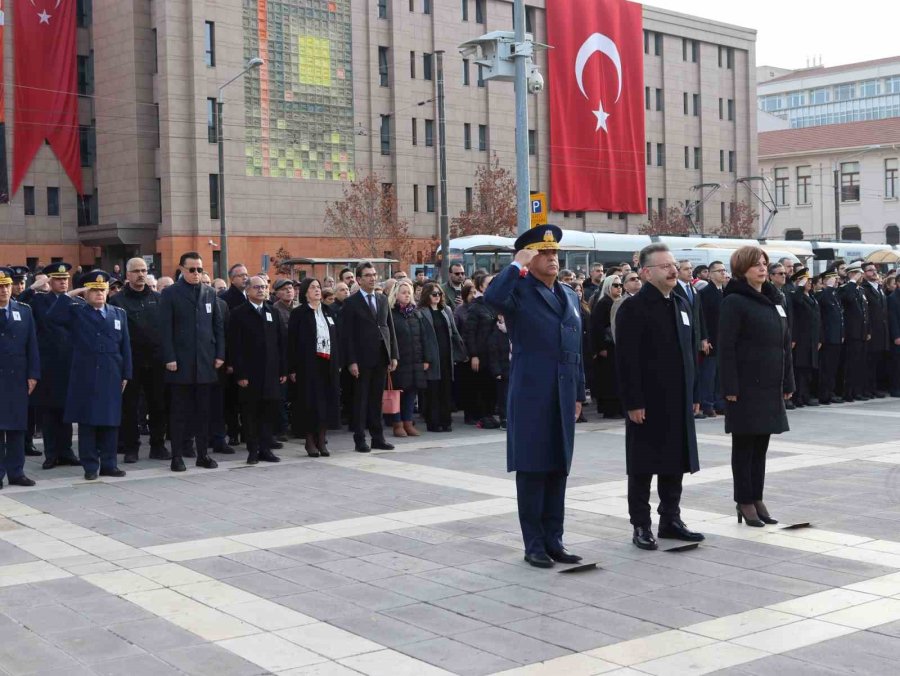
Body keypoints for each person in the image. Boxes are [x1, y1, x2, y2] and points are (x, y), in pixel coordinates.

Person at [484, 224, 585, 569]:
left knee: (558, 467)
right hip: (532, 392)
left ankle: (555, 540)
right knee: (532, 469)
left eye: (555, 252)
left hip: (563, 392)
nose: (553, 258)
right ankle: (534, 545)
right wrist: (516, 265)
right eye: (544, 252)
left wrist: (578, 392)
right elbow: (492, 298)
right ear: (529, 256)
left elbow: (576, 349)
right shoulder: (518, 291)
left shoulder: (569, 295)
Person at [616, 244, 704, 551]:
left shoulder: (681, 302)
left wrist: (694, 392)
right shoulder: (634, 308)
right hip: (648, 401)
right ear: (646, 272)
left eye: (674, 265)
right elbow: (627, 360)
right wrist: (633, 402)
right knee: (642, 465)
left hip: (678, 398)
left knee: (675, 462)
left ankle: (671, 519)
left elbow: (690, 353)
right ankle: (641, 524)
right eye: (664, 266)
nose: (672, 270)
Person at [719, 247, 794, 527]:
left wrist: (788, 380)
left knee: (761, 445)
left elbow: (784, 344)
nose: (763, 268)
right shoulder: (734, 301)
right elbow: (726, 347)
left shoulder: (774, 299)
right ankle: (744, 500)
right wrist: (730, 386)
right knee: (744, 446)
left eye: (764, 263)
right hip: (745, 385)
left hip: (770, 384)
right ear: (742, 270)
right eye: (756, 265)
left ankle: (757, 497)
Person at [46, 271, 132, 481]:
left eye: (103, 290)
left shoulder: (118, 313)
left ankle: (109, 464)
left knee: (111, 422)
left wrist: (126, 373)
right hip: (86, 374)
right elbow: (52, 317)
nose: (99, 294)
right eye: (94, 290)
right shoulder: (77, 312)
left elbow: (125, 346)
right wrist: (72, 293)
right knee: (88, 423)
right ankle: (90, 466)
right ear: (86, 293)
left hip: (111, 373)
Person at [159, 252, 224, 472]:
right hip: (180, 363)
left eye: (200, 269)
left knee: (203, 413)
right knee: (179, 413)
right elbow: (165, 328)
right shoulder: (170, 293)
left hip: (205, 362)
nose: (196, 274)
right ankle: (177, 456)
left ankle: (202, 454)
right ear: (182, 270)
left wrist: (220, 354)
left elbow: (217, 326)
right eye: (192, 270)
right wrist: (169, 357)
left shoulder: (209, 292)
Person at [18, 264, 81, 470]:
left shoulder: (75, 301)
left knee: (66, 411)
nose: (63, 282)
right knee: (48, 412)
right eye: (58, 279)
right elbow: (18, 303)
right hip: (47, 363)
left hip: (68, 363)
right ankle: (51, 453)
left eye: (65, 279)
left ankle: (67, 451)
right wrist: (32, 288)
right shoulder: (39, 300)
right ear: (50, 281)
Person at [109, 257, 170, 463]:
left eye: (144, 270)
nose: (141, 274)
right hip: (131, 362)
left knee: (158, 405)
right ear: (127, 275)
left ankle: (158, 445)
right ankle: (131, 448)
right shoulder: (117, 301)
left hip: (156, 362)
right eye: (136, 271)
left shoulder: (158, 299)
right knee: (130, 407)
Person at [340, 261, 398, 453]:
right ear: (359, 279)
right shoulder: (351, 303)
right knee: (361, 400)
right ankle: (360, 439)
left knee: (376, 400)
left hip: (380, 356)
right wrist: (351, 361)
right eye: (368, 275)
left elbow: (389, 327)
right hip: (361, 359)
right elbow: (347, 335)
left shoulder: (382, 299)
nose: (373, 278)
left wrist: (393, 354)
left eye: (374, 275)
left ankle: (378, 438)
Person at [228, 276, 285, 465]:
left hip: (271, 372)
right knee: (250, 413)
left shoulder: (272, 311)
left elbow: (280, 342)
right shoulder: (238, 313)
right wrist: (240, 374)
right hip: (250, 374)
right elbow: (235, 346)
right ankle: (253, 450)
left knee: (268, 412)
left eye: (264, 287)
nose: (261, 290)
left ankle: (266, 449)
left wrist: (282, 370)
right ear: (248, 290)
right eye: (257, 287)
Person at [288, 278, 340, 456]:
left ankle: (322, 439)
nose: (317, 290)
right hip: (308, 364)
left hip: (328, 363)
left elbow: (336, 337)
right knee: (309, 403)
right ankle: (309, 440)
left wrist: (338, 362)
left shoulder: (328, 311)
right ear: (305, 292)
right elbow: (292, 342)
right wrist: (292, 368)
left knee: (326, 402)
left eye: (318, 287)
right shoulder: (299, 313)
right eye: (312, 288)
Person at [0, 267, 39, 487]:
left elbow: (32, 344)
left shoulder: (23, 311)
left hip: (17, 377)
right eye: (0, 287)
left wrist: (33, 374)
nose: (4, 290)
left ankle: (16, 472)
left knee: (16, 426)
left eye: (6, 285)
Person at [386, 280, 434, 437]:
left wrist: (426, 359)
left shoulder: (415, 313)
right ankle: (397, 424)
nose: (407, 295)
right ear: (396, 295)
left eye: (409, 293)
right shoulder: (390, 313)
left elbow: (423, 337)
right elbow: (389, 338)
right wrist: (391, 357)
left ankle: (408, 422)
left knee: (411, 392)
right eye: (403, 292)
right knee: (397, 393)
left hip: (415, 360)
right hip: (399, 361)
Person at [419, 282, 466, 432]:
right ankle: (433, 422)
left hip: (446, 354)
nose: (437, 297)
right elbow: (421, 337)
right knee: (433, 389)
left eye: (439, 294)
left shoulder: (446, 310)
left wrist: (461, 351)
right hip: (431, 355)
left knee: (446, 388)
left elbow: (454, 332)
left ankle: (446, 421)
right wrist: (424, 358)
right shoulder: (421, 312)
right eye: (434, 294)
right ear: (427, 295)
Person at [464, 273, 501, 429]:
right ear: (481, 287)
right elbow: (470, 332)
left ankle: (490, 414)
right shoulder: (476, 306)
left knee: (492, 385)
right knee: (481, 385)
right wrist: (474, 355)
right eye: (489, 284)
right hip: (481, 352)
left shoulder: (496, 304)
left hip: (495, 353)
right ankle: (482, 416)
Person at [673, 259, 709, 420]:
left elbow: (700, 315)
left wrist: (704, 337)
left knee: (695, 372)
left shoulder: (693, 289)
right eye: (686, 269)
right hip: (683, 338)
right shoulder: (674, 289)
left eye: (691, 268)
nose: (690, 271)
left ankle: (695, 405)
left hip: (695, 338)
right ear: (678, 271)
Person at [590, 275, 623, 419]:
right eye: (615, 285)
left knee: (616, 379)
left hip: (615, 346)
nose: (619, 288)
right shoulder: (604, 303)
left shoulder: (618, 302)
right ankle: (610, 409)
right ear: (608, 286)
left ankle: (618, 408)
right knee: (609, 380)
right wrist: (601, 347)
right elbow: (597, 327)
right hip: (607, 347)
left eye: (620, 285)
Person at [698, 261, 727, 417]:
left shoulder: (725, 292)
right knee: (709, 374)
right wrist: (705, 338)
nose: (723, 273)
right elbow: (702, 318)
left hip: (723, 340)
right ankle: (707, 403)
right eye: (719, 271)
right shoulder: (705, 293)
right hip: (711, 339)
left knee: (720, 375)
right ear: (710, 274)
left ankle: (719, 402)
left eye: (724, 270)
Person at [789, 268, 821, 408]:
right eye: (806, 281)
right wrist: (800, 287)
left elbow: (818, 319)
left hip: (812, 339)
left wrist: (819, 338)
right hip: (802, 338)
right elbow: (797, 301)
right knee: (800, 369)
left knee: (808, 369)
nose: (809, 283)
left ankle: (806, 395)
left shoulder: (812, 296)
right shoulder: (796, 295)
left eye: (810, 281)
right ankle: (798, 397)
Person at [839, 262, 870, 402]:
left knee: (860, 364)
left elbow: (865, 312)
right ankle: (848, 392)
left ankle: (857, 391)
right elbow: (848, 299)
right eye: (858, 274)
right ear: (851, 274)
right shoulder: (846, 288)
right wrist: (852, 281)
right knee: (850, 364)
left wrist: (868, 330)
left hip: (862, 332)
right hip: (852, 332)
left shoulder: (860, 290)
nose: (860, 277)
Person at [816, 271, 845, 405]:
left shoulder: (834, 294)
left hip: (837, 337)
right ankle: (824, 395)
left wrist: (842, 334)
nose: (836, 281)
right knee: (826, 368)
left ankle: (830, 392)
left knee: (833, 368)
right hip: (828, 337)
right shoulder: (822, 294)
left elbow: (840, 316)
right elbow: (822, 303)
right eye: (834, 278)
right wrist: (828, 287)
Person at [862, 262, 889, 398]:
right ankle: (868, 388)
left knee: (878, 361)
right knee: (869, 362)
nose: (874, 272)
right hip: (872, 331)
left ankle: (875, 387)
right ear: (864, 273)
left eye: (874, 270)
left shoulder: (879, 287)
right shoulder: (864, 288)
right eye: (870, 270)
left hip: (882, 331)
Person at [888, 281, 900, 396]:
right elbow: (892, 318)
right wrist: (896, 335)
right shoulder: (893, 298)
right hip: (898, 336)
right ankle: (895, 388)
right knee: (897, 364)